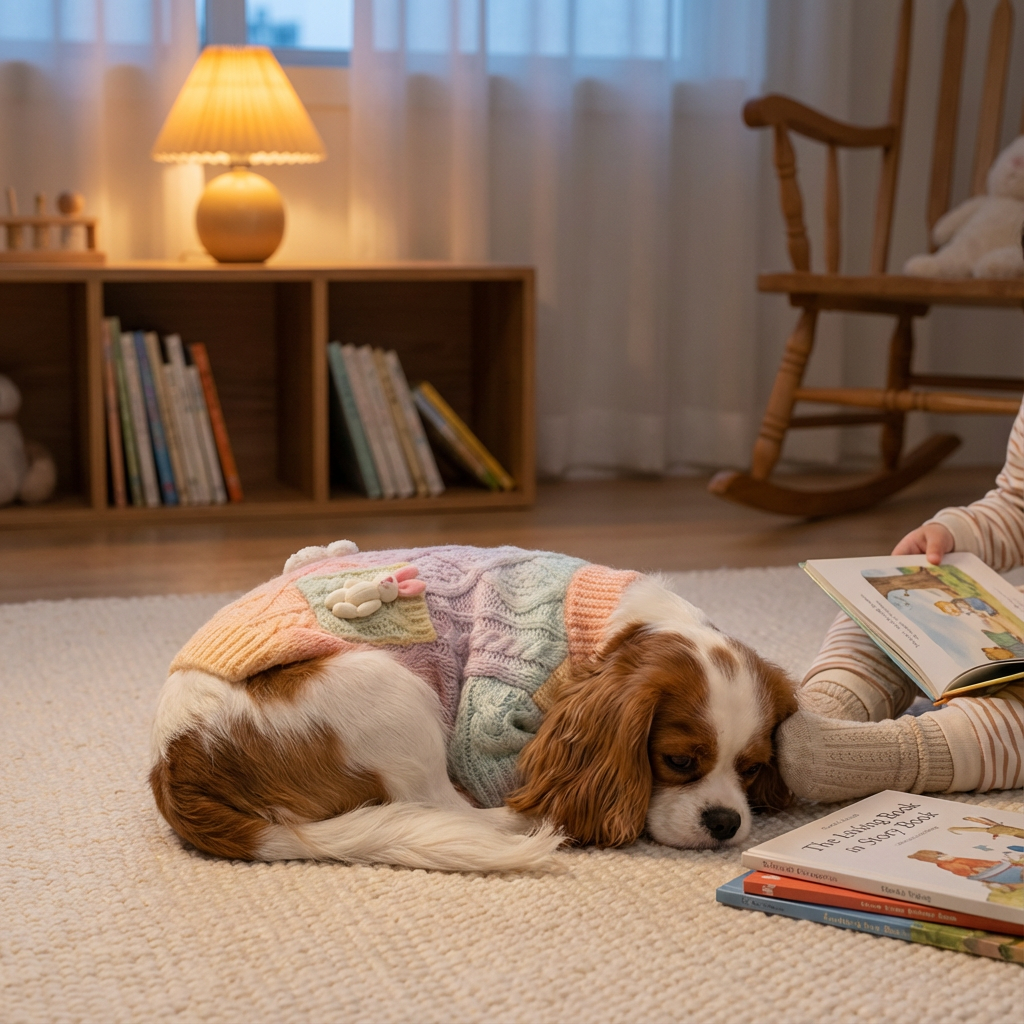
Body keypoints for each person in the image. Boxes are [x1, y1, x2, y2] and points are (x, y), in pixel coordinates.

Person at [778, 393, 1023, 800]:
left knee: (1011, 728)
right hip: (1005, 619)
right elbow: (1015, 505)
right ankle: (827, 707)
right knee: (886, 608)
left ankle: (897, 754)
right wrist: (951, 534)